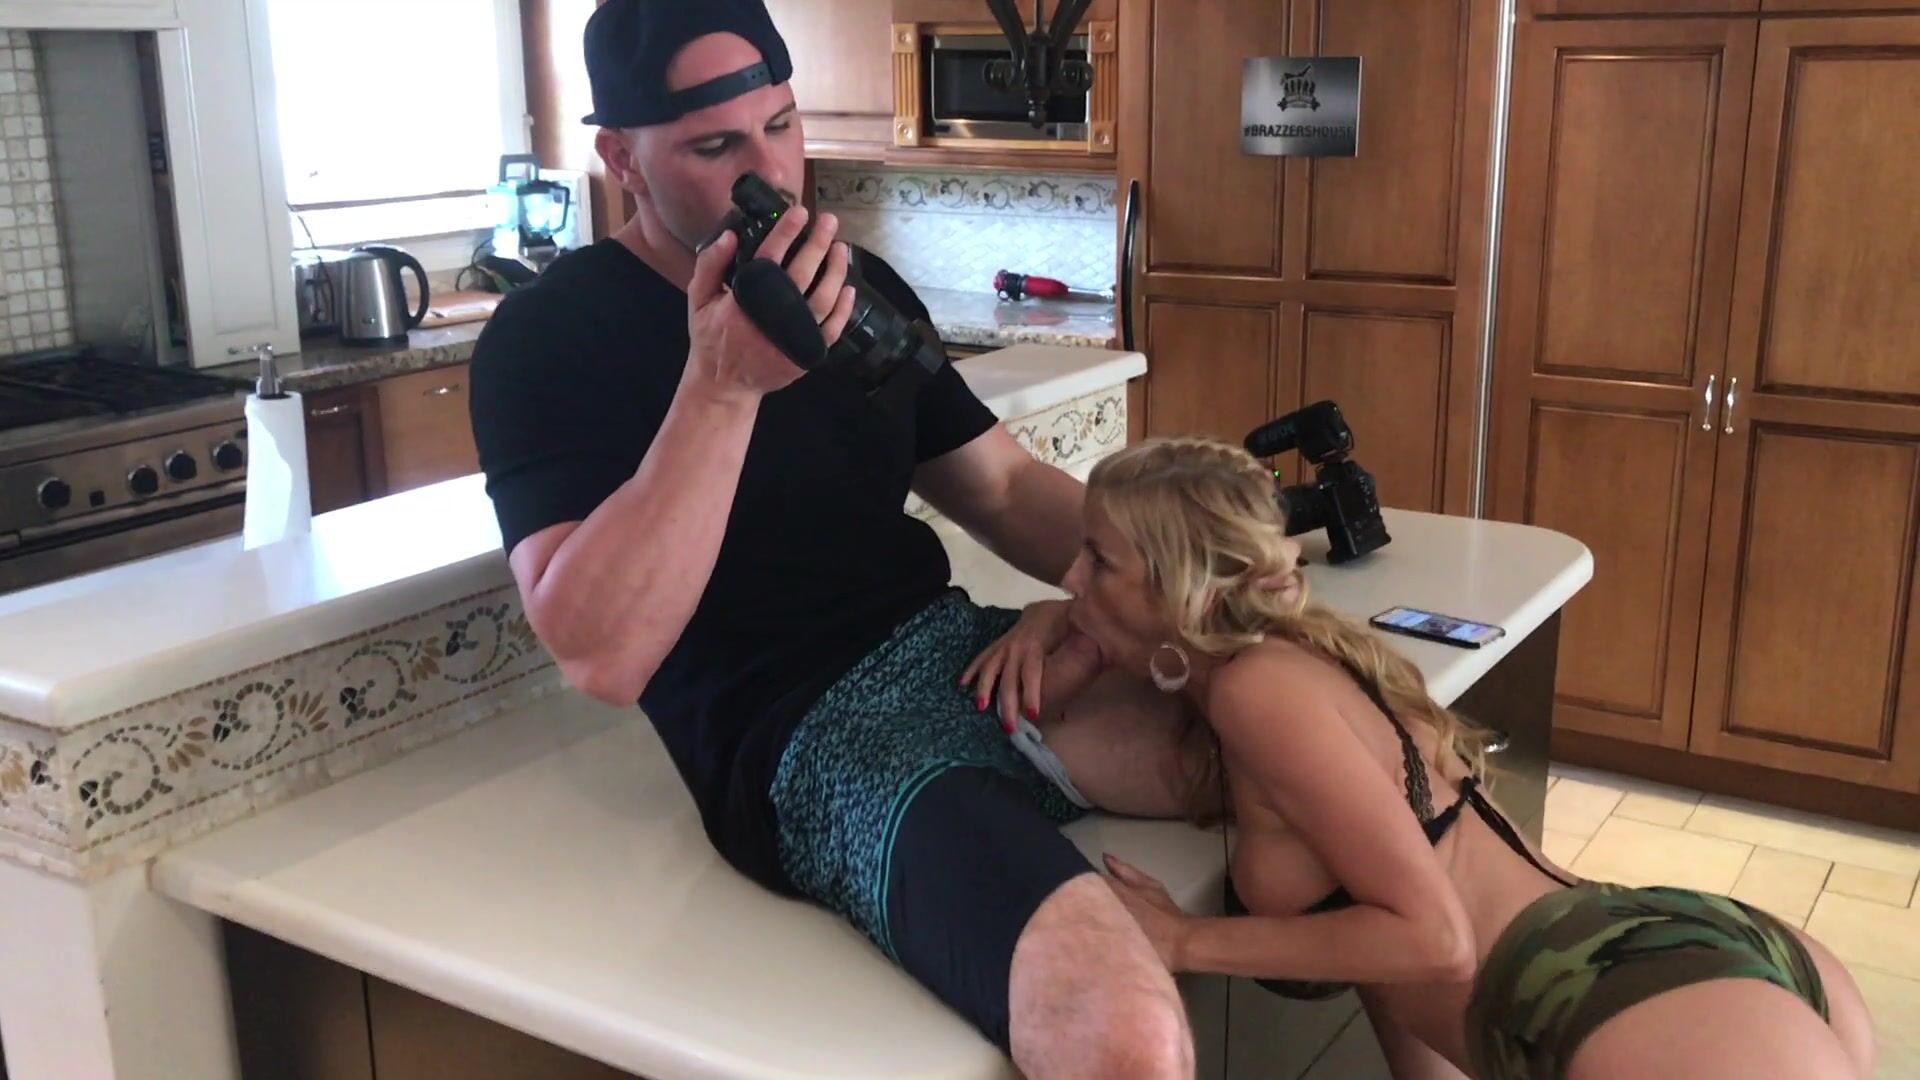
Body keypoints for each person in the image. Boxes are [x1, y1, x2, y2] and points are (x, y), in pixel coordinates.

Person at [466, 0, 1205, 1073]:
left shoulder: (855, 286)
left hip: (964, 663)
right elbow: (598, 653)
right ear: (622, 158)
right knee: (1123, 1030)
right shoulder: (547, 338)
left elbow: (1002, 487)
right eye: (715, 147)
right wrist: (722, 387)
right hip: (800, 738)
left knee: (1340, 748)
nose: (769, 173)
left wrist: (1170, 592)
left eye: (781, 125)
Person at [1008, 435, 1878, 1079]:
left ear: (1182, 588)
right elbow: (1393, 958)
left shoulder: (1255, 693)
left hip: (1604, 1000)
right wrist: (1062, 630)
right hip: (1653, 962)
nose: (1072, 577)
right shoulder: (1279, 668)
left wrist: (1186, 940)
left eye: (1098, 560)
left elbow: (1433, 939)